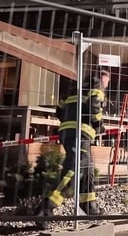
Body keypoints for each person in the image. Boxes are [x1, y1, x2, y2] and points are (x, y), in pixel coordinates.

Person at [39, 68, 110, 218]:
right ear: (101, 78)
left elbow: (59, 110)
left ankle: (89, 205)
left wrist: (69, 121)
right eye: (107, 81)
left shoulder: (74, 89)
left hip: (68, 132)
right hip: (81, 133)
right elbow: (94, 107)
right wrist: (99, 125)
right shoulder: (96, 87)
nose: (106, 85)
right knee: (74, 169)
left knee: (87, 168)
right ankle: (46, 207)